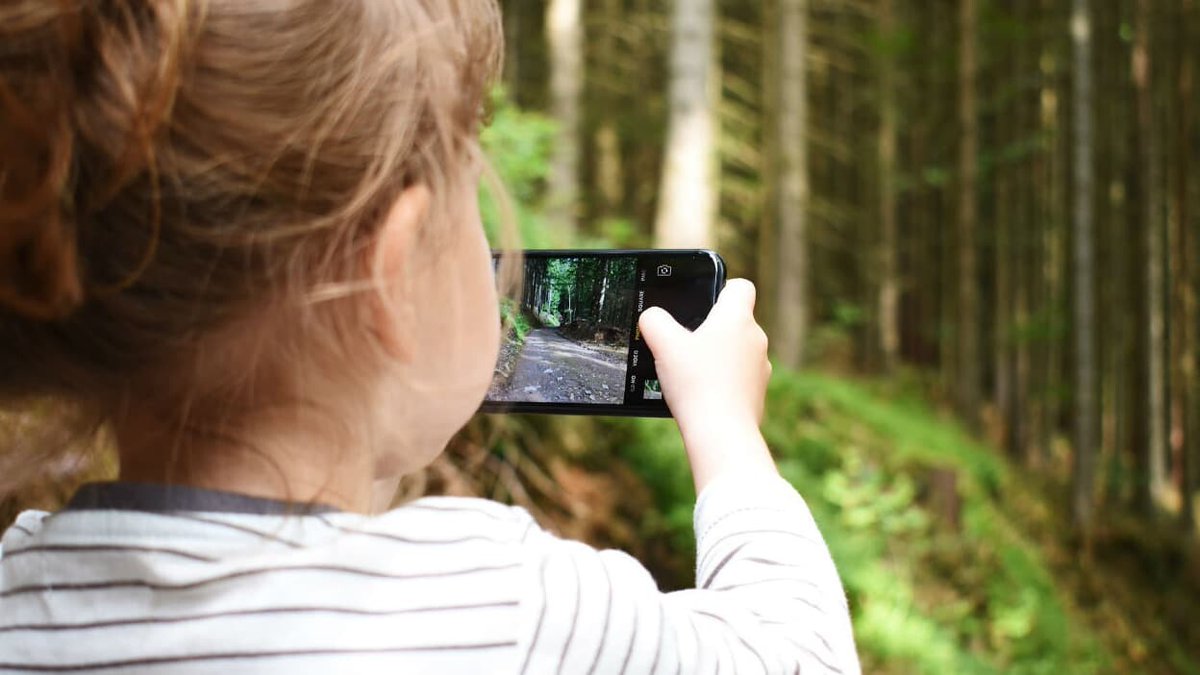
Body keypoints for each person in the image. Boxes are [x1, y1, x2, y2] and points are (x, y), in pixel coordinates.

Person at [0, 0, 861, 672]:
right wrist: (726, 431)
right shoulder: (506, 608)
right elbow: (801, 654)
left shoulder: (20, 591)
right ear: (393, 272)